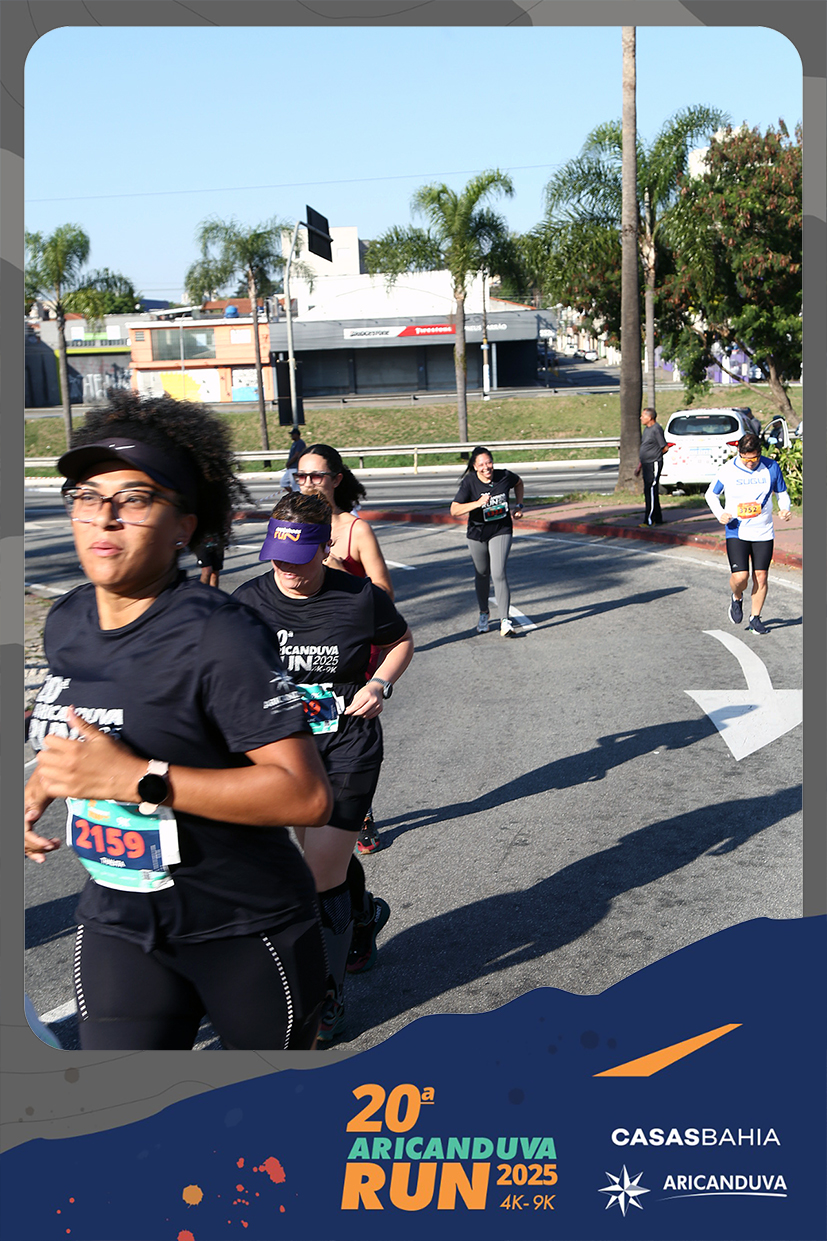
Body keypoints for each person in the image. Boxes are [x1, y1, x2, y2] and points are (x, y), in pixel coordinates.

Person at [24, 391, 333, 1051]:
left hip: (245, 928)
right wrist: (44, 781)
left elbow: (305, 795)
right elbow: (89, 720)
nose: (105, 517)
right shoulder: (67, 620)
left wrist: (136, 779)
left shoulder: (219, 634)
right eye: (87, 496)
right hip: (118, 921)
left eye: (135, 499)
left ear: (183, 527)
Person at [233, 492, 414, 1044]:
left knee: (316, 877)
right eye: (276, 558)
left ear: (325, 547)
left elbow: (400, 641)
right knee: (319, 863)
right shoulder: (248, 602)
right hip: (285, 754)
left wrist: (379, 684)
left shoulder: (359, 596)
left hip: (348, 746)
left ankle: (324, 998)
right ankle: (361, 915)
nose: (286, 570)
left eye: (297, 559)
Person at [296, 442, 394, 853]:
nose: (307, 483)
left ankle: (358, 810)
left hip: (349, 656)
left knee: (346, 733)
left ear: (336, 480)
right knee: (309, 735)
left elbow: (384, 593)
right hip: (301, 652)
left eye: (316, 475)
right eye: (300, 476)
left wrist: (338, 572)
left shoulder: (355, 530)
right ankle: (319, 808)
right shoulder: (292, 524)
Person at [704, 431, 791, 635]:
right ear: (739, 453)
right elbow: (711, 495)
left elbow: (782, 494)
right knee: (740, 578)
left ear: (760, 453)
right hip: (737, 530)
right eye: (745, 459)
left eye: (754, 459)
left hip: (763, 530)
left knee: (761, 576)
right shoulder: (728, 469)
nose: (750, 463)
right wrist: (720, 514)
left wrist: (785, 509)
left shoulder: (771, 467)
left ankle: (755, 618)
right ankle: (737, 597)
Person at [450, 446, 524, 637]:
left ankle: (505, 620)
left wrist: (519, 505)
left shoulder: (504, 476)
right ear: (475, 467)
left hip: (501, 530)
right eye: (481, 464)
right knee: (482, 573)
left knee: (498, 572)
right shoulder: (469, 482)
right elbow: (454, 510)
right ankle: (484, 613)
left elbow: (519, 483)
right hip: (477, 534)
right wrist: (477, 503)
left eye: (489, 462)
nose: (486, 467)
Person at [634, 407, 669, 526]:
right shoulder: (646, 430)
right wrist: (639, 466)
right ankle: (657, 518)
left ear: (650, 417)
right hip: (646, 464)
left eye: (643, 416)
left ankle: (649, 520)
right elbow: (645, 448)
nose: (641, 418)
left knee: (651, 490)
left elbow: (665, 447)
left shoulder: (656, 429)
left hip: (654, 463)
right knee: (648, 490)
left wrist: (656, 456)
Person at [280, 425, 307, 494]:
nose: (291, 436)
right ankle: (293, 494)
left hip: (295, 467)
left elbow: (296, 455)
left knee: (295, 485)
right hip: (291, 467)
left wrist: (289, 462)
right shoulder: (294, 443)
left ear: (297, 435)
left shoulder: (300, 443)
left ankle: (298, 496)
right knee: (283, 482)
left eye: (293, 434)